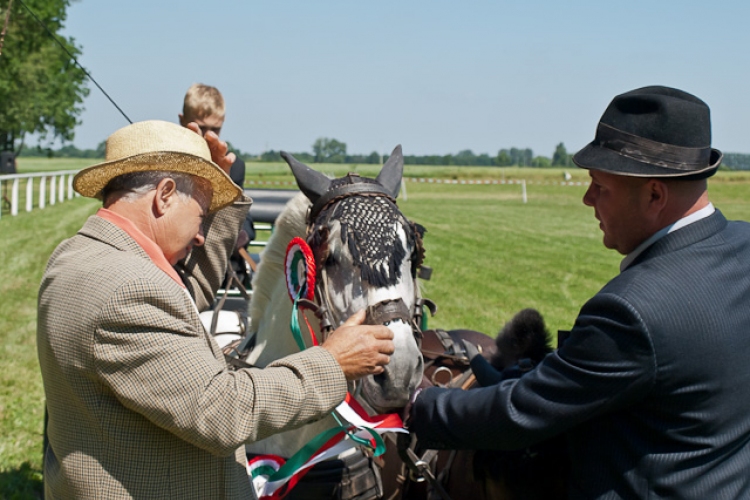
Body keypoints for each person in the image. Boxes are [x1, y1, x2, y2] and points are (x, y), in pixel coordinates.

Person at [409, 86, 750, 498]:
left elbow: (519, 414)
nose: (587, 198)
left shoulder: (632, 310)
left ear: (655, 194)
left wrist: (417, 403)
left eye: (600, 186)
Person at [37, 120, 395, 499]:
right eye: (202, 213)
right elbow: (222, 412)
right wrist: (332, 363)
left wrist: (215, 193)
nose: (201, 234)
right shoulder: (131, 289)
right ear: (164, 195)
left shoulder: (80, 257)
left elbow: (177, 299)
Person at [179, 83, 255, 285]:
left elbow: (241, 214)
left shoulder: (234, 167)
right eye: (200, 128)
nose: (208, 137)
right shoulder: (166, 163)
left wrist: (240, 232)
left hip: (219, 264)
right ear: (182, 121)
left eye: (215, 130)